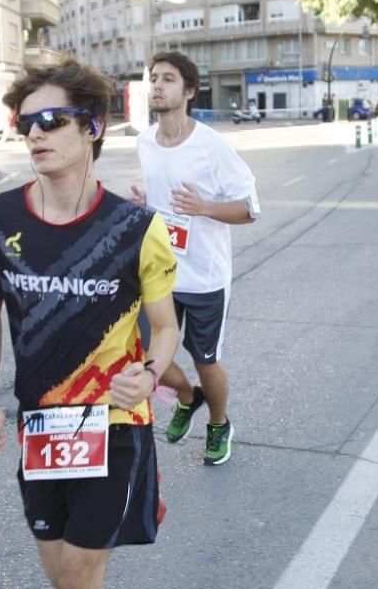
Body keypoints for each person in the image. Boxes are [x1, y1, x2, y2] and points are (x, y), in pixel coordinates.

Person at [0, 60, 180, 589]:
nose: (36, 133)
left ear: (93, 128)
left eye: (54, 119)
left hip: (114, 423)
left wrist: (150, 375)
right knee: (63, 577)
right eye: (26, 123)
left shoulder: (136, 228)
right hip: (41, 428)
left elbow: (166, 327)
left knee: (80, 575)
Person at [131, 51, 259, 466]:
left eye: (168, 79)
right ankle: (187, 398)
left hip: (203, 277)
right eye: (154, 78)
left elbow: (249, 208)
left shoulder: (212, 146)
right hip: (158, 273)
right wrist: (144, 205)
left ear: (188, 91)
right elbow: (161, 202)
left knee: (205, 361)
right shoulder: (144, 141)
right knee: (146, 356)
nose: (157, 85)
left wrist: (204, 207)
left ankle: (219, 423)